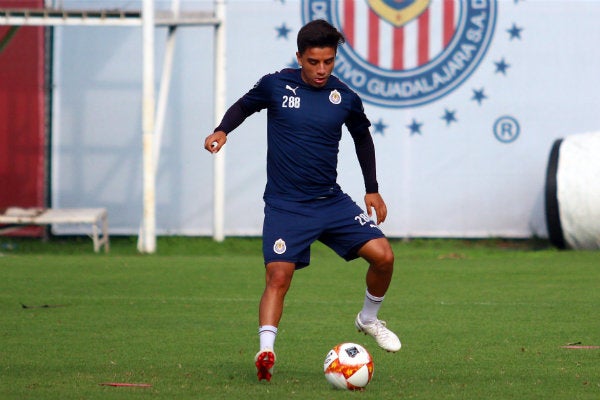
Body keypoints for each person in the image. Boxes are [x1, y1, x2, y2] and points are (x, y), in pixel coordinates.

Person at [204, 19, 400, 382]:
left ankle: (368, 319)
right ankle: (266, 351)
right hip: (286, 205)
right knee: (279, 275)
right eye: (313, 62)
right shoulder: (275, 85)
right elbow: (244, 106)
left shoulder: (344, 97)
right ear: (300, 57)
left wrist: (372, 187)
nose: (321, 69)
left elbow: (362, 139)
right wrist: (221, 129)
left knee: (384, 256)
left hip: (330, 201)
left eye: (328, 61)